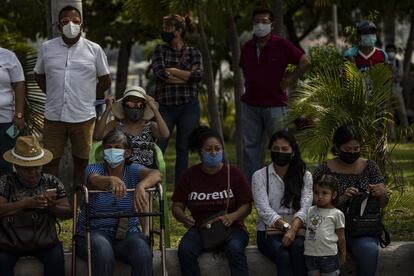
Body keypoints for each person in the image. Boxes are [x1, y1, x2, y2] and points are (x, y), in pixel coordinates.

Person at [34, 5, 111, 187]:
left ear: (82, 26)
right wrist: (53, 93)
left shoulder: (94, 49)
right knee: (50, 161)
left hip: (83, 116)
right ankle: (52, 201)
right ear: (59, 27)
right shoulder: (47, 48)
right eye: (65, 21)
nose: (70, 25)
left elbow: (105, 80)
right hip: (53, 116)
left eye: (75, 21)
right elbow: (38, 74)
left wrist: (88, 97)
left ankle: (79, 204)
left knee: (82, 162)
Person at [75, 129, 161, 276]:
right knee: (104, 253)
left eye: (117, 147)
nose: (112, 151)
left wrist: (142, 185)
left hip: (128, 233)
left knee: (143, 252)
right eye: (108, 147)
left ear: (127, 152)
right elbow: (94, 180)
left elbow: (156, 174)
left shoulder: (133, 170)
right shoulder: (94, 168)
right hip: (94, 232)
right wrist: (110, 180)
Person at [240, 8, 311, 183]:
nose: (260, 25)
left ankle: (284, 184)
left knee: (281, 148)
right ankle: (252, 189)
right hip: (250, 105)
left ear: (272, 25)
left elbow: (305, 61)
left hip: (275, 105)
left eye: (264, 21)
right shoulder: (248, 46)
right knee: (250, 149)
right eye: (257, 22)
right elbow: (244, 68)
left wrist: (288, 81)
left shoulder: (281, 44)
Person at [172, 126, 252, 276]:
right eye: (208, 149)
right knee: (185, 250)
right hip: (201, 228)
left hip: (232, 228)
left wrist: (232, 217)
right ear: (200, 152)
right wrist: (182, 217)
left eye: (217, 148)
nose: (214, 153)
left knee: (235, 249)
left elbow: (246, 205)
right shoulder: (189, 175)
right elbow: (177, 205)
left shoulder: (234, 173)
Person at [313, 125, 389, 276]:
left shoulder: (370, 167)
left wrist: (382, 193)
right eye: (347, 149)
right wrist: (341, 199)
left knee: (368, 250)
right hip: (330, 229)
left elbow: (383, 203)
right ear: (337, 147)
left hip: (363, 229)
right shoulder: (325, 169)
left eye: (356, 148)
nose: (352, 153)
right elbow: (314, 203)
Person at [0, 135, 72, 276]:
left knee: (56, 257)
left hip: (44, 242)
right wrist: (25, 203)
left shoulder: (51, 181)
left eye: (37, 167)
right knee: (2, 261)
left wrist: (51, 207)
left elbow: (68, 213)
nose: (33, 173)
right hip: (9, 242)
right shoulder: (5, 181)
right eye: (27, 169)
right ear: (17, 166)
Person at [252, 130, 313, 276]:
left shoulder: (305, 176)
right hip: (268, 232)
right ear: (270, 150)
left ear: (292, 151)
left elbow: (306, 207)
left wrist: (293, 231)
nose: (280, 152)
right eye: (276, 149)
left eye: (285, 149)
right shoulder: (259, 176)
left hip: (298, 228)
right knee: (282, 254)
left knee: (298, 249)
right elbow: (264, 210)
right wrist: (287, 228)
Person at [151, 14, 203, 185]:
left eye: (168, 28)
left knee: (183, 148)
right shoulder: (160, 50)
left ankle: (181, 188)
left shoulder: (194, 52)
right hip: (165, 107)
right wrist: (186, 76)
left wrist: (172, 70)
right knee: (159, 147)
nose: (164, 32)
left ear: (179, 31)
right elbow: (160, 74)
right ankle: (152, 183)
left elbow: (197, 76)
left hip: (189, 106)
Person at [93, 85, 170, 168]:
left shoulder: (151, 126)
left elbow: (165, 134)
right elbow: (98, 136)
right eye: (130, 104)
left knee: (155, 175)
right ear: (123, 106)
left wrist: (154, 109)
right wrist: (108, 109)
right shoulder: (115, 124)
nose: (135, 107)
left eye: (140, 104)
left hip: (146, 171)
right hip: (120, 171)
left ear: (145, 107)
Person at [304, 174, 346, 276]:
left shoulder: (337, 214)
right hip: (310, 256)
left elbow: (341, 237)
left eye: (324, 193)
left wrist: (343, 255)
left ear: (334, 195)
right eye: (316, 193)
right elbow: (307, 229)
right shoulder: (310, 210)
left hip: (329, 257)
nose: (320, 197)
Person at [0, 47, 25, 175]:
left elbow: (19, 84)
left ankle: (4, 194)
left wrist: (19, 114)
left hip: (7, 121)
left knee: (5, 163)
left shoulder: (8, 56)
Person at [386, 44, 409, 128]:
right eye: (388, 51)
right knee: (389, 114)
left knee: (402, 112)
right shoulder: (384, 62)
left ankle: (406, 133)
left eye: (392, 51)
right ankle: (391, 136)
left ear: (395, 52)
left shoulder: (398, 62)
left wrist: (392, 77)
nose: (390, 52)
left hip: (397, 90)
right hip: (386, 91)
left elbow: (400, 76)